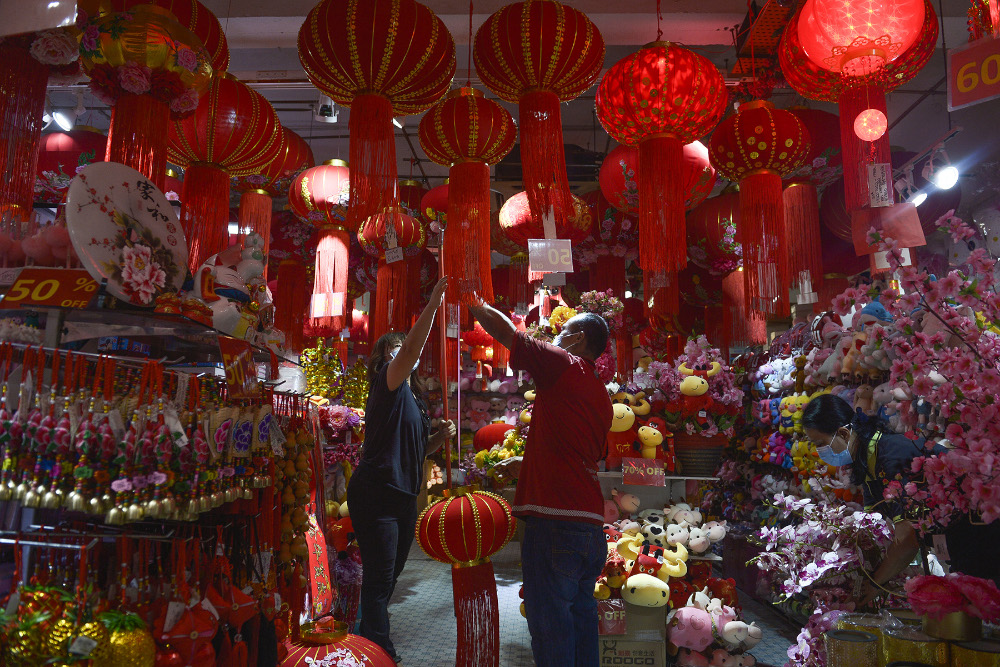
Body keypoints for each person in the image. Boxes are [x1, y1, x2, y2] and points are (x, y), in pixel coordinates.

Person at [468, 301, 613, 667]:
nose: (556, 336)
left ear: (578, 339)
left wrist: (473, 300)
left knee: (551, 628)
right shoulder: (600, 393)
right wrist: (526, 463)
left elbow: (508, 335)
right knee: (580, 622)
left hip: (556, 524)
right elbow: (584, 454)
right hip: (589, 527)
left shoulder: (566, 363)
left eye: (563, 332)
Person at [347, 277, 456, 664]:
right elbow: (410, 347)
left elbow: (413, 451)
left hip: (404, 494)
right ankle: (379, 652)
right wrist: (433, 302)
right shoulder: (387, 383)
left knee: (389, 578)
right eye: (394, 350)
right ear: (384, 359)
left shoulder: (413, 398)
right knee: (379, 580)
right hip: (376, 492)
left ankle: (365, 636)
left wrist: (439, 440)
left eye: (402, 349)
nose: (403, 354)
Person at [801, 393, 945, 606]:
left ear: (842, 433)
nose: (819, 451)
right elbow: (876, 524)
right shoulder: (868, 462)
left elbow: (907, 537)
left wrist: (873, 584)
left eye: (820, 443)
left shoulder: (890, 455)